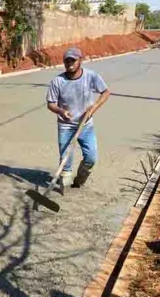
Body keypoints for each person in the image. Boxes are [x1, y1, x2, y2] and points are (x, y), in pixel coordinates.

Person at [45, 47, 111, 191]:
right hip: (65, 126)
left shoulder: (91, 76)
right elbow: (51, 104)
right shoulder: (57, 81)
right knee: (65, 167)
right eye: (67, 61)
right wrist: (61, 111)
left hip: (85, 125)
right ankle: (65, 181)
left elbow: (105, 92)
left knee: (91, 158)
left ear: (80, 60)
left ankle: (80, 179)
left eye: (73, 61)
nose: (70, 64)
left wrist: (93, 108)